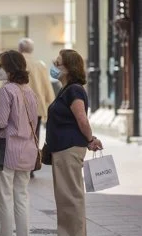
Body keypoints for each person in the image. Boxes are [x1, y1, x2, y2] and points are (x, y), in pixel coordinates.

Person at [46, 49, 103, 236]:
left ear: (69, 67)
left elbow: (82, 119)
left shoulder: (74, 90)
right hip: (62, 149)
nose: (54, 66)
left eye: (58, 63)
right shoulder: (66, 89)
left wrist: (90, 139)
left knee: (71, 197)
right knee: (65, 198)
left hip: (69, 149)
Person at [0, 50, 38, 236]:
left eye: (0, 66)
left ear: (10, 68)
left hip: (6, 149)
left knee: (4, 198)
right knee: (22, 197)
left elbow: (0, 121)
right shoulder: (29, 91)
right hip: (26, 150)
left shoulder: (6, 90)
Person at [18, 38, 55, 178]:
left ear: (20, 49)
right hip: (37, 107)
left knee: (20, 136)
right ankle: (32, 165)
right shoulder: (40, 65)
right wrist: (50, 104)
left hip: (20, 106)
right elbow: (47, 86)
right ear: (31, 50)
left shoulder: (17, 63)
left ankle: (22, 164)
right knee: (34, 137)